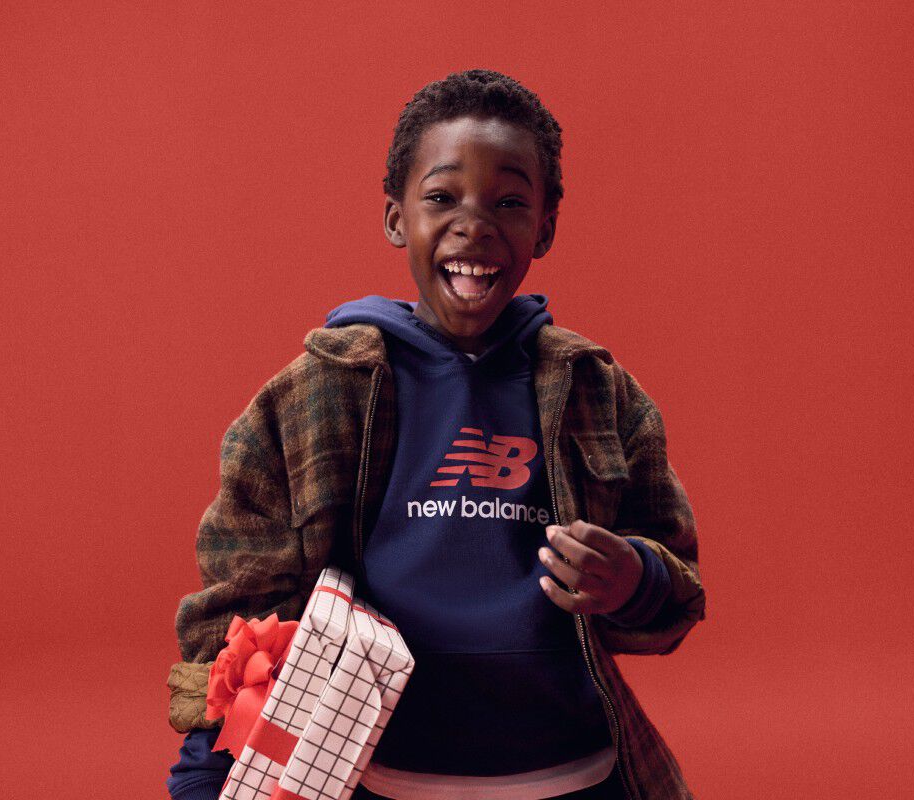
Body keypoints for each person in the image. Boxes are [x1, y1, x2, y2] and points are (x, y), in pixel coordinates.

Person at [165, 69, 706, 800]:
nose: (474, 224)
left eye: (509, 202)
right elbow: (241, 618)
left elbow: (676, 591)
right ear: (396, 218)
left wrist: (632, 576)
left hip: (575, 778)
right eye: (442, 198)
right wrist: (208, 772)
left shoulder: (597, 393)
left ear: (545, 224)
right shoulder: (312, 398)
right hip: (378, 780)